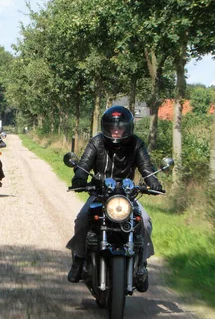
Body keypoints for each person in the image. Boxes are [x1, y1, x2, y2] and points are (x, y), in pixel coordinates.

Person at [65, 106, 163, 292]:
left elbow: (146, 167)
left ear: (128, 128)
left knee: (146, 221)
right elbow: (85, 163)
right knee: (82, 219)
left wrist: (153, 182)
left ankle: (141, 266)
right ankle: (78, 261)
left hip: (127, 196)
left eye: (120, 127)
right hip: (100, 194)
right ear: (106, 127)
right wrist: (79, 178)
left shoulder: (136, 144)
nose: (116, 131)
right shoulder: (97, 142)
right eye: (112, 127)